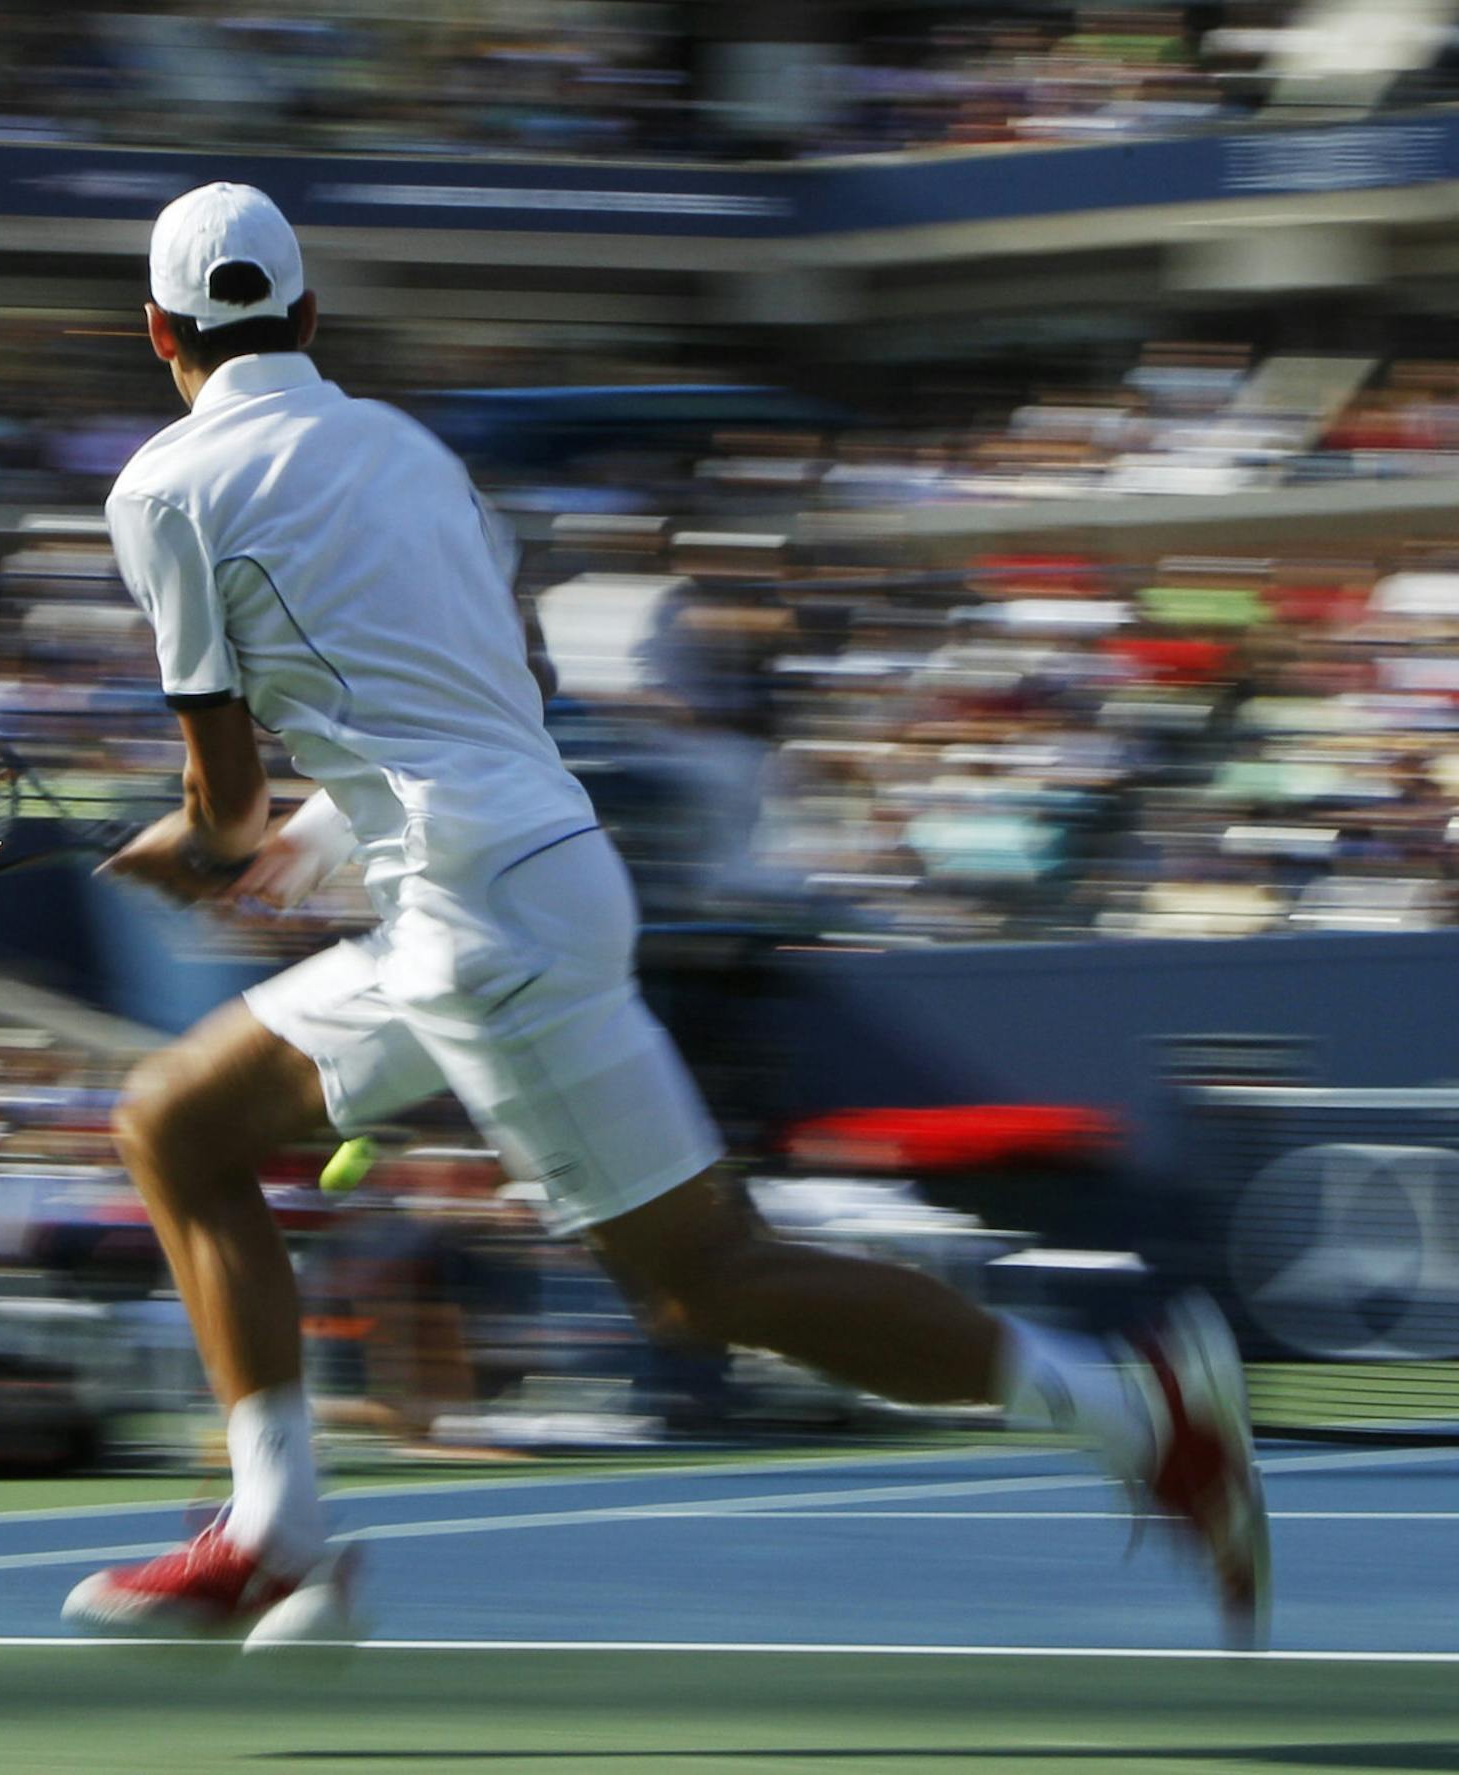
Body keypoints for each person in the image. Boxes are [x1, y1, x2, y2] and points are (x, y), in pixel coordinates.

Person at [63, 182, 1269, 1649]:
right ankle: (275, 1534)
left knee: (704, 1281)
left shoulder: (161, 492)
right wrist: (329, 833)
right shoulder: (413, 453)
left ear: (155, 333)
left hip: (474, 920)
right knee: (175, 1123)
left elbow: (221, 809)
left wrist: (201, 850)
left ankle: (1133, 1407)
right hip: (525, 872)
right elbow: (513, 692)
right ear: (308, 317)